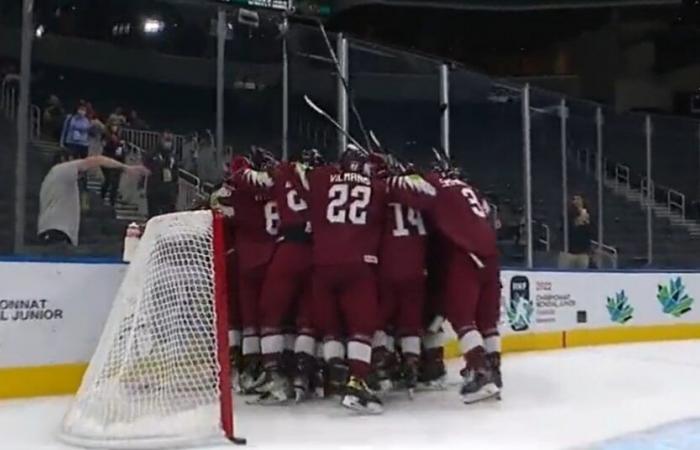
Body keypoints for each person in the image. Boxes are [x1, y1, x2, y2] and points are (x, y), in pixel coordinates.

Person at [255, 149, 322, 404]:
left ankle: (275, 378)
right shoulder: (323, 178)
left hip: (288, 249)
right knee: (306, 317)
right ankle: (303, 377)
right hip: (315, 251)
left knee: (270, 314)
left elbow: (253, 180)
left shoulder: (284, 172)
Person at [38, 152, 149, 247]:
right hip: (58, 233)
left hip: (50, 232)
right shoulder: (63, 170)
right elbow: (96, 160)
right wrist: (126, 168)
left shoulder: (51, 180)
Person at [144, 131, 179, 218]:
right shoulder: (153, 154)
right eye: (166, 140)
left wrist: (175, 190)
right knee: (153, 215)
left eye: (169, 141)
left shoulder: (173, 157)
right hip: (154, 189)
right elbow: (146, 168)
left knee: (168, 216)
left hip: (168, 190)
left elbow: (175, 174)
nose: (168, 143)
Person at [559, 195, 593, 269]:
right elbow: (566, 229)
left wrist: (587, 221)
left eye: (578, 199)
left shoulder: (589, 214)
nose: (576, 201)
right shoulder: (567, 214)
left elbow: (591, 232)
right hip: (568, 252)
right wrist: (579, 220)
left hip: (583, 252)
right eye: (574, 199)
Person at [101, 124, 126, 206]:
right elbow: (105, 150)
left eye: (116, 126)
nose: (115, 127)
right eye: (113, 125)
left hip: (117, 163)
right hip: (108, 162)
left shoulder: (121, 139)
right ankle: (102, 196)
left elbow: (122, 153)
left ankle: (112, 201)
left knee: (115, 183)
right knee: (108, 181)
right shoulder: (107, 138)